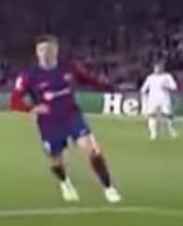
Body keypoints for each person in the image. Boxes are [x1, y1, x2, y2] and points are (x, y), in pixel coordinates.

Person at [11, 36, 122, 204]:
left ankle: (109, 188)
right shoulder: (28, 76)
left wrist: (108, 87)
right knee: (57, 160)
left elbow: (87, 79)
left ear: (56, 50)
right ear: (37, 52)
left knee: (92, 149)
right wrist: (31, 108)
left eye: (49, 49)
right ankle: (65, 183)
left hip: (72, 116)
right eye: (42, 50)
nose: (45, 53)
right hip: (49, 122)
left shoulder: (68, 68)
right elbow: (14, 101)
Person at [140, 60, 178, 140]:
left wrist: (167, 86)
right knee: (152, 115)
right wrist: (144, 97)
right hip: (153, 99)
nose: (157, 69)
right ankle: (153, 134)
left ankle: (171, 130)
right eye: (156, 67)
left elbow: (174, 86)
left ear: (162, 68)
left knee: (168, 115)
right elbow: (143, 89)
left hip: (164, 99)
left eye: (159, 67)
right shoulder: (150, 77)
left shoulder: (167, 76)